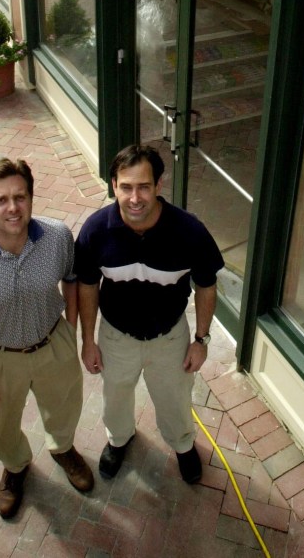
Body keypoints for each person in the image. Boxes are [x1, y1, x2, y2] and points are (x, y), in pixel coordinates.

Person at [0, 158, 93, 519]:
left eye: (20, 197)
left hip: (54, 343)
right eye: (1, 199)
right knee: (4, 422)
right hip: (1, 355)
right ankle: (15, 466)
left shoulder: (57, 236)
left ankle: (63, 448)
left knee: (65, 405)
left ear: (31, 198)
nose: (12, 207)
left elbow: (71, 278)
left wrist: (70, 328)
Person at [75, 144, 224, 484]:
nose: (135, 197)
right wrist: (88, 340)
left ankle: (183, 444)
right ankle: (119, 439)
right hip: (116, 336)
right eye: (126, 187)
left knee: (174, 398)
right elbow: (86, 286)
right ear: (113, 185)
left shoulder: (189, 232)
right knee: (115, 395)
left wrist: (201, 340)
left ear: (159, 185)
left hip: (169, 336)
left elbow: (206, 285)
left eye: (144, 186)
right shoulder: (96, 230)